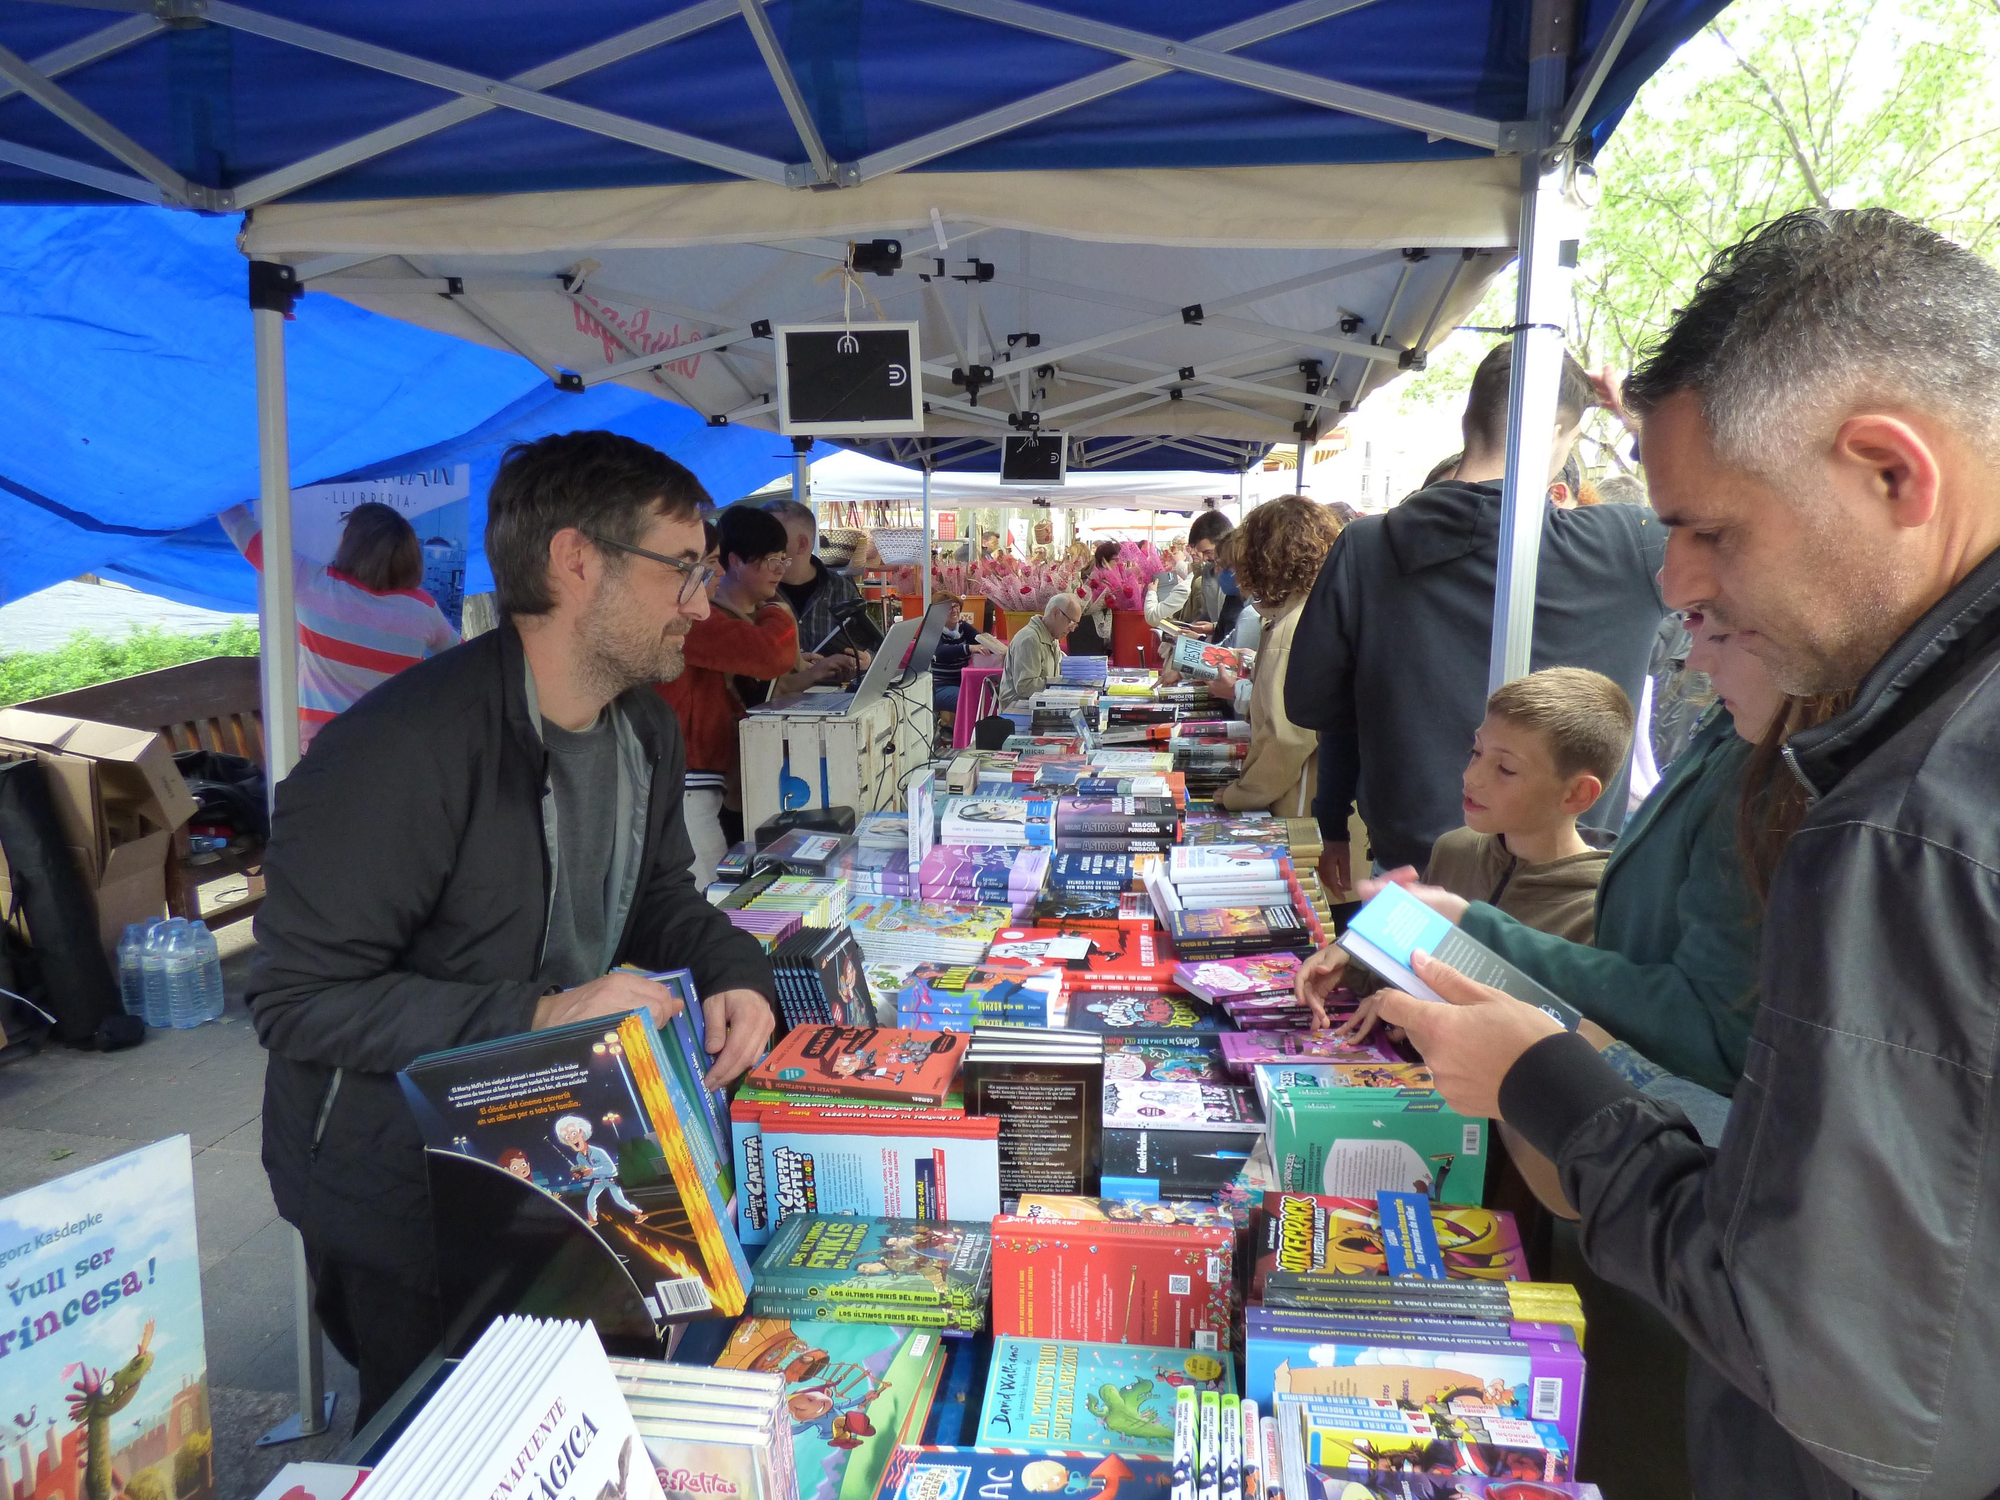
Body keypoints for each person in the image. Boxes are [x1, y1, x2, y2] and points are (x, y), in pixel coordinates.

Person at [1368, 209, 2000, 1499]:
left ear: (1892, 474)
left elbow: (1835, 1355)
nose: (1671, 582)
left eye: (1711, 528)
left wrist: (1550, 1083)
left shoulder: (1914, 816)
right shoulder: (1906, 761)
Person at [250, 430, 779, 1425]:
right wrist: (548, 1008)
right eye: (682, 571)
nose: (703, 605)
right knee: (433, 1435)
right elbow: (298, 1003)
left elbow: (660, 894)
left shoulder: (642, 725)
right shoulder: (400, 751)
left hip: (554, 1159)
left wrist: (737, 971)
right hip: (405, 1193)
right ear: (577, 562)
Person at [1285, 341, 1666, 893]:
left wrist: (1332, 823)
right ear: (1566, 433)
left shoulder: (1367, 550)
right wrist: (1639, 423)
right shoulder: (1631, 547)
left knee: (1402, 984)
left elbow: (1319, 706)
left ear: (1467, 420)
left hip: (1412, 871)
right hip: (1570, 889)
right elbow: (1725, 518)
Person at [658, 506, 824, 880]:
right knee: (709, 892)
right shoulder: (696, 619)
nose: (716, 573)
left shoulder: (708, 617)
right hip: (688, 780)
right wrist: (777, 608)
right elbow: (771, 655)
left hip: (698, 777)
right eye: (710, 563)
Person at [219, 500, 460, 752]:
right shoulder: (423, 610)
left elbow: (247, 535)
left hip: (325, 751)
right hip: (395, 750)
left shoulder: (312, 583)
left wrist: (220, 492)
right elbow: (463, 656)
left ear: (351, 545)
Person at [1210, 496, 1345, 817]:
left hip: (1299, 803)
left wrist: (1238, 794)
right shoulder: (1318, 612)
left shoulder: (1292, 627)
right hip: (1319, 795)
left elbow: (1286, 739)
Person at [762, 496, 878, 661]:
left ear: (802, 544)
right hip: (780, 687)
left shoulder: (841, 588)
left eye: (773, 537)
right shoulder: (754, 589)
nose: (762, 544)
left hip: (834, 686)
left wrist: (867, 660)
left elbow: (875, 647)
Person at [1144, 510, 1234, 633]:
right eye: (1200, 552)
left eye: (1208, 552)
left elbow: (1243, 620)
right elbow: (1206, 613)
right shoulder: (1208, 571)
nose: (1204, 558)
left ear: (1225, 543)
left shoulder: (1244, 574)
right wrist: (1193, 628)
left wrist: (1214, 627)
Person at [998, 592, 1080, 710]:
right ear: (1055, 613)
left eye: (1076, 624)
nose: (1072, 629)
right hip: (1020, 713)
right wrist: (1061, 682)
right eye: (1071, 622)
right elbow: (1025, 687)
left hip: (1041, 706)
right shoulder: (1030, 640)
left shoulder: (1052, 636)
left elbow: (1064, 664)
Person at [929, 592, 1004, 714]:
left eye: (956, 606)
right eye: (949, 608)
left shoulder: (963, 626)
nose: (954, 610)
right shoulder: (932, 630)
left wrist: (999, 648)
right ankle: (964, 732)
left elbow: (980, 639)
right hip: (939, 687)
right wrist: (969, 648)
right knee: (969, 701)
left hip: (962, 683)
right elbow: (940, 652)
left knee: (988, 696)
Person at [1070, 540, 1122, 656]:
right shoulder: (1095, 580)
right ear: (1105, 562)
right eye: (1115, 560)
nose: (1118, 563)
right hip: (1090, 633)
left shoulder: (1107, 577)